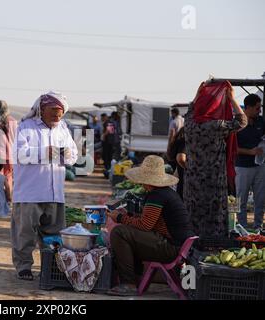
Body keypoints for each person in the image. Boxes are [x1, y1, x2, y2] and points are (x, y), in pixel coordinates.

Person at [11, 91, 78, 281]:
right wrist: (45, 152)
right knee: (25, 234)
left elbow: (73, 156)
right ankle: (23, 267)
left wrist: (65, 153)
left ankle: (50, 269)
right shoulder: (26, 127)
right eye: (54, 111)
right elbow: (19, 154)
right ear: (42, 109)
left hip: (55, 193)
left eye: (60, 112)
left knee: (54, 236)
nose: (57, 116)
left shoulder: (62, 129)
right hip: (30, 193)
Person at [106, 155, 193, 296]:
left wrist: (120, 218)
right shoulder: (165, 193)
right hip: (179, 246)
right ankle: (136, 276)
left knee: (119, 232)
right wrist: (129, 216)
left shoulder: (157, 195)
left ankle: (128, 283)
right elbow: (150, 220)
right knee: (129, 232)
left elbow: (145, 225)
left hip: (172, 247)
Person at [184, 81, 247, 239]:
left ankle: (192, 246)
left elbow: (191, 109)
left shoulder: (189, 124)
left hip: (192, 181)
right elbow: (242, 121)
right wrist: (232, 98)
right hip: (213, 181)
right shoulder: (216, 126)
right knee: (214, 216)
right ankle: (213, 246)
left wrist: (198, 95)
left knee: (195, 214)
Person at [235, 94, 265, 231]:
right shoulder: (237, 123)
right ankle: (242, 227)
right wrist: (250, 152)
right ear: (248, 108)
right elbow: (232, 148)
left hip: (260, 166)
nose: (259, 110)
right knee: (241, 199)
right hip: (242, 167)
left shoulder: (261, 121)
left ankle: (258, 227)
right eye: (257, 108)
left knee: (260, 198)